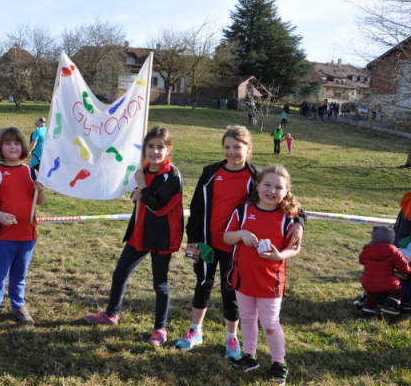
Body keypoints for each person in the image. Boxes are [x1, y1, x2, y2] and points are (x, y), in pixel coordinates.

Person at [177, 125, 304, 360]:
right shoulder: (210, 172)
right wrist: (192, 240)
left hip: (236, 248)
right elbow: (196, 208)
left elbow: (288, 200)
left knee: (230, 291)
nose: (231, 152)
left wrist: (300, 222)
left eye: (237, 147)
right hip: (205, 243)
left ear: (249, 149)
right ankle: (195, 331)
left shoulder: (256, 176)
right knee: (202, 283)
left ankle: (231, 337)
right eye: (227, 147)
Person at [83, 126, 184, 346]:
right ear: (144, 148)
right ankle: (111, 314)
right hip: (139, 233)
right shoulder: (143, 169)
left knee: (160, 284)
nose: (154, 151)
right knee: (120, 273)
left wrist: (143, 187)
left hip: (161, 237)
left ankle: (160, 328)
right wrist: (138, 191)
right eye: (150, 146)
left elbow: (158, 207)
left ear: (168, 150)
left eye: (160, 147)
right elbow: (140, 198)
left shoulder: (172, 175)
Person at [224, 164, 302, 385]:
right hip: (243, 278)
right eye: (267, 184)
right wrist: (241, 233)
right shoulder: (243, 211)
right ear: (257, 186)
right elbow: (227, 237)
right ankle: (250, 357)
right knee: (248, 319)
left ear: (286, 192)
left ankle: (279, 362)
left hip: (270, 282)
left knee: (269, 324)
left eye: (278, 187)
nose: (272, 190)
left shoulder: (287, 218)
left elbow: (294, 248)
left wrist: (279, 256)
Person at [0, 126, 46, 332]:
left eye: (17, 143)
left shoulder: (32, 172)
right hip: (2, 237)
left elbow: (40, 202)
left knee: (20, 275)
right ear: (0, 147)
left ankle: (18, 305)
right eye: (8, 143)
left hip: (27, 236)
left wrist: (41, 189)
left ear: (24, 147)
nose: (12, 147)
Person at [359, 225, 411, 317]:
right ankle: (389, 305)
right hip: (387, 283)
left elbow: (361, 260)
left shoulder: (367, 250)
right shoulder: (394, 252)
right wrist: (408, 269)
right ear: (391, 239)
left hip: (368, 282)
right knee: (398, 291)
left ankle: (367, 311)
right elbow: (403, 269)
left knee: (372, 298)